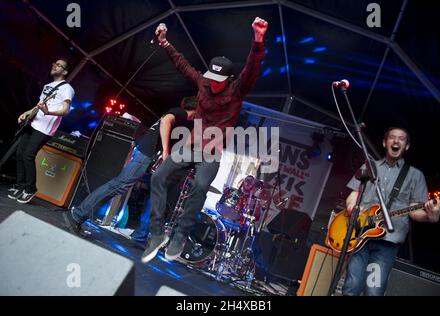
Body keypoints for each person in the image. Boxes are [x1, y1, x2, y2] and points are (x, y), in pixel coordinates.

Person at [141, 17, 268, 263]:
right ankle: (157, 234)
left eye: (219, 81)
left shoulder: (236, 90)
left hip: (212, 152)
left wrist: (258, 40)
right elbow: (182, 65)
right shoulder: (204, 82)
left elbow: (251, 70)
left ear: (228, 80)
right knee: (157, 176)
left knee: (200, 185)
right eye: (211, 78)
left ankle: (180, 235)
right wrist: (165, 42)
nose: (212, 84)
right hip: (190, 146)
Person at [69, 97, 198, 236]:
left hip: (145, 154)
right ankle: (78, 214)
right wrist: (166, 151)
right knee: (118, 185)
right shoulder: (181, 113)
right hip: (145, 154)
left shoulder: (184, 122)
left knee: (119, 186)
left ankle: (80, 214)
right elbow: (166, 121)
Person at [342, 127, 440, 296]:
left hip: (387, 242)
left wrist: (431, 216)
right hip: (360, 236)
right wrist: (352, 208)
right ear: (384, 142)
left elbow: (414, 211)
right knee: (351, 286)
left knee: (373, 292)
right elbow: (353, 195)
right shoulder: (369, 166)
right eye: (392, 137)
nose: (396, 141)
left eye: (401, 139)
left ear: (407, 146)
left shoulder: (415, 176)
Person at [8, 58, 74, 204]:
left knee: (28, 156)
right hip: (33, 123)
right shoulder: (47, 86)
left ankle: (30, 189)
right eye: (54, 63)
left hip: (45, 128)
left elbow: (65, 110)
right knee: (20, 154)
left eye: (58, 65)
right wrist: (26, 112)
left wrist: (48, 112)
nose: (54, 66)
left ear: (65, 71)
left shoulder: (67, 88)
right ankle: (20, 186)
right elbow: (39, 105)